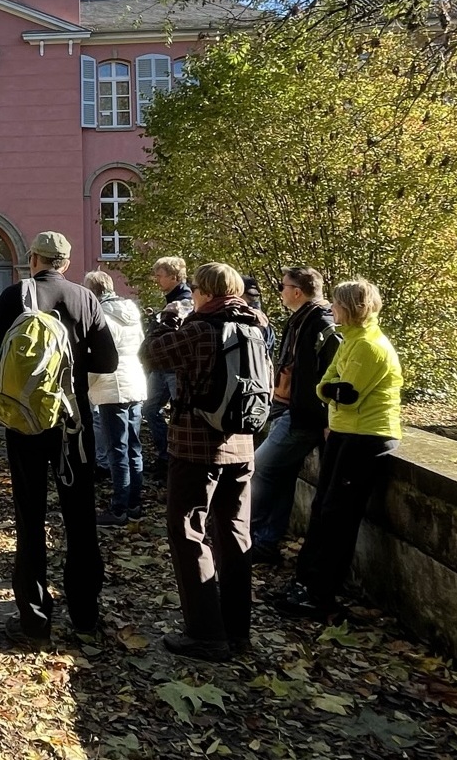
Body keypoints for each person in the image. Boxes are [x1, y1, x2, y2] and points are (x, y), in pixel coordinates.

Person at [0, 232, 120, 640]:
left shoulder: (15, 296)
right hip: (73, 423)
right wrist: (72, 364)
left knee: (30, 518)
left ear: (34, 259)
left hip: (25, 421)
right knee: (80, 517)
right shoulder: (85, 298)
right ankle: (85, 614)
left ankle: (34, 618)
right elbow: (109, 361)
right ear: (66, 262)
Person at [144, 262, 268, 660]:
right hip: (242, 444)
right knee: (235, 534)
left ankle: (205, 633)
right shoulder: (256, 326)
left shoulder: (200, 329)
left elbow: (151, 354)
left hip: (197, 446)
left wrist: (166, 319)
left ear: (205, 293)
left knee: (187, 531)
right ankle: (237, 630)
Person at [278, 278, 403, 619]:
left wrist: (329, 390)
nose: (331, 308)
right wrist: (329, 390)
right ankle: (306, 582)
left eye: (336, 303)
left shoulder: (368, 346)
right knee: (323, 508)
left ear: (350, 307)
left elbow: (345, 394)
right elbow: (324, 386)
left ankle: (320, 593)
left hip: (366, 437)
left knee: (338, 516)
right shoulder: (350, 340)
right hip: (344, 433)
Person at [248, 268, 340, 564]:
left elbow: (332, 372)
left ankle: (250, 535)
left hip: (300, 414)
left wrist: (325, 419)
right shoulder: (303, 318)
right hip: (287, 407)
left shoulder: (321, 321)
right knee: (282, 475)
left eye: (282, 286)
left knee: (260, 467)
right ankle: (265, 542)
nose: (280, 291)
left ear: (297, 291)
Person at [84, 271, 147, 525]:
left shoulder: (101, 316)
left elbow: (101, 355)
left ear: (93, 291)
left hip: (113, 384)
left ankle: (119, 508)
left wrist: (85, 384)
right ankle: (134, 504)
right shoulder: (131, 312)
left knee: (117, 449)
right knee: (133, 447)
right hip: (134, 380)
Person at [140, 256, 192, 483]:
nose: (156, 279)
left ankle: (175, 460)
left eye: (160, 275)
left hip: (174, 367)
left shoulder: (185, 301)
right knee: (150, 409)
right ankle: (166, 456)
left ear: (174, 277)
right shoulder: (173, 299)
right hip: (161, 367)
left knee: (179, 414)